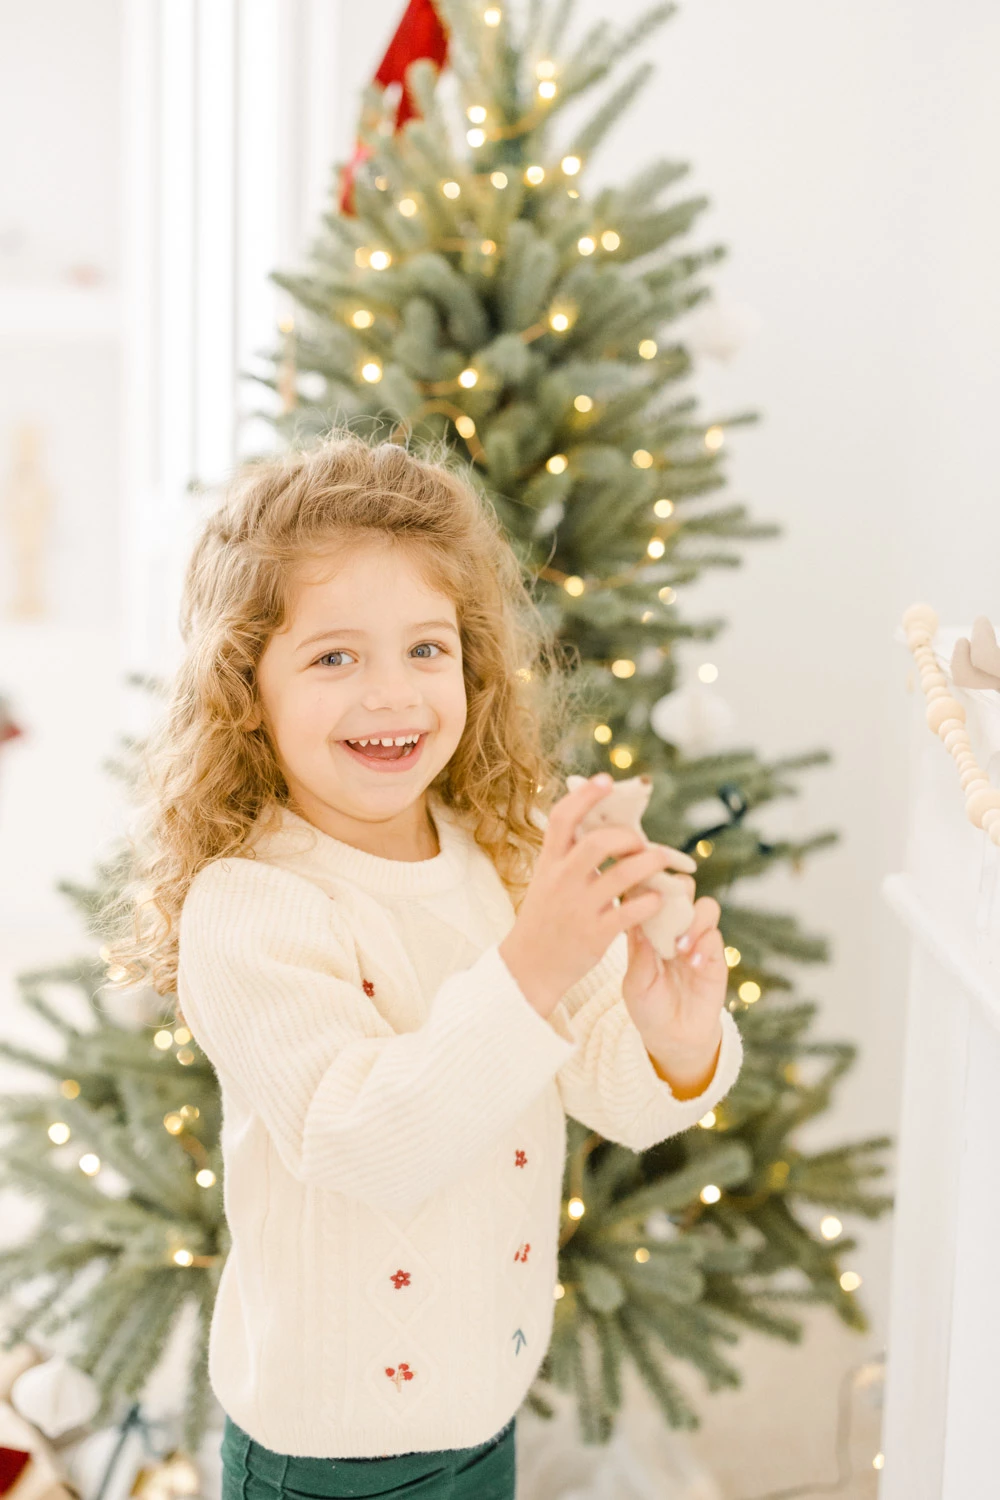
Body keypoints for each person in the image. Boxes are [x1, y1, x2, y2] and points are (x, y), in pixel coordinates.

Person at [102, 433, 743, 1500]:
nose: (390, 695)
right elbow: (364, 1140)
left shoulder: (500, 851)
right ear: (245, 686)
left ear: (471, 662)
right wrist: (531, 964)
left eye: (426, 650)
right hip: (327, 1456)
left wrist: (674, 1033)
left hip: (480, 1414)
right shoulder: (253, 905)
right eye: (333, 656)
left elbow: (617, 1094)